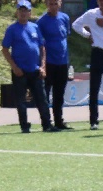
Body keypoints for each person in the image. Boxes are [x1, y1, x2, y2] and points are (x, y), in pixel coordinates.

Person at [2, 0, 53, 134]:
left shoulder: (35, 27)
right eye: (21, 10)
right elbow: (5, 49)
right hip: (20, 71)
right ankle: (24, 126)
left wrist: (43, 66)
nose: (23, 13)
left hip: (35, 70)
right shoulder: (12, 29)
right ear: (17, 12)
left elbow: (42, 48)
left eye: (26, 11)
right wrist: (14, 67)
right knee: (21, 101)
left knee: (42, 99)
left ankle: (47, 124)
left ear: (30, 13)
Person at [73, 0, 103, 129]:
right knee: (94, 87)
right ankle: (94, 121)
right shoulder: (91, 14)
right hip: (98, 51)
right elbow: (76, 25)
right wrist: (87, 35)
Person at [38, 0, 74, 130]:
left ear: (60, 3)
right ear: (47, 4)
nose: (53, 6)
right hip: (49, 62)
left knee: (60, 94)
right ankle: (47, 122)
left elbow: (65, 37)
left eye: (55, 3)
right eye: (50, 4)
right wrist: (42, 64)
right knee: (46, 93)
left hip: (62, 61)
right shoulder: (41, 22)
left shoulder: (64, 18)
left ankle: (59, 121)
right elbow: (40, 44)